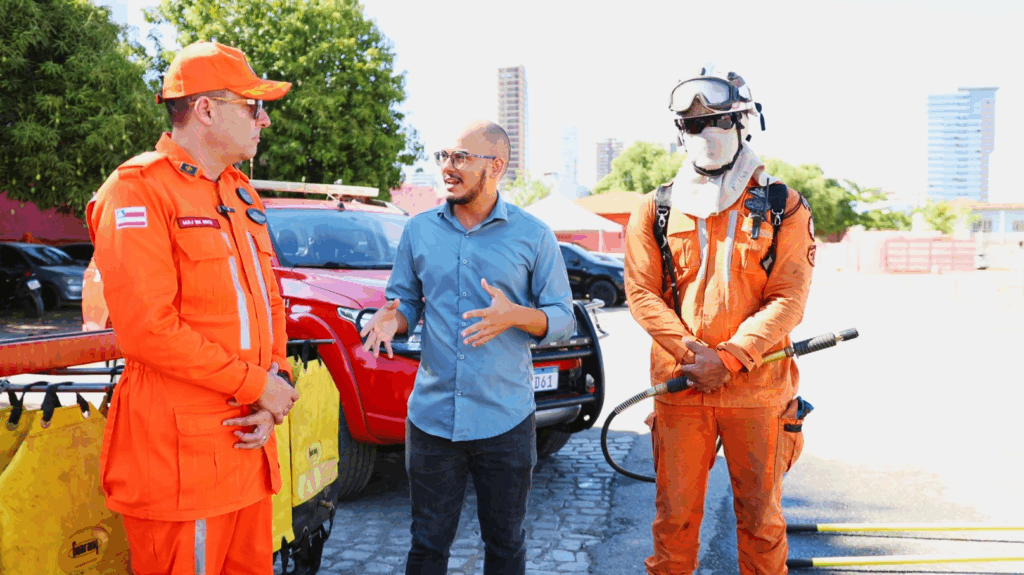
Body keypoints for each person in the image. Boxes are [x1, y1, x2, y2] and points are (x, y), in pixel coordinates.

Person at [86, 40, 299, 575]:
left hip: (247, 449)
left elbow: (269, 300)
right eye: (253, 106)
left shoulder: (238, 190)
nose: (264, 120)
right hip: (181, 467)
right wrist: (259, 388)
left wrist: (274, 385)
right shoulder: (136, 190)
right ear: (206, 109)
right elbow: (148, 331)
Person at [360, 119, 576, 575]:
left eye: (460, 157)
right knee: (426, 546)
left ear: (496, 166)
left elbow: (563, 317)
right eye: (443, 157)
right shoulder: (419, 231)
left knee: (505, 545)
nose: (447, 168)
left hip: (505, 419)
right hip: (432, 420)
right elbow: (407, 304)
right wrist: (389, 319)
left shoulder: (534, 235)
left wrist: (514, 315)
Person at [624, 67, 815, 575]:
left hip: (758, 390)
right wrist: (694, 357)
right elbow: (642, 294)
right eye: (691, 126)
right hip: (683, 388)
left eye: (715, 121)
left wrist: (730, 358)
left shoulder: (783, 206)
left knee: (761, 520)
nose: (703, 134)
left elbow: (789, 297)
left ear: (742, 122)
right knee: (674, 521)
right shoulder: (655, 209)